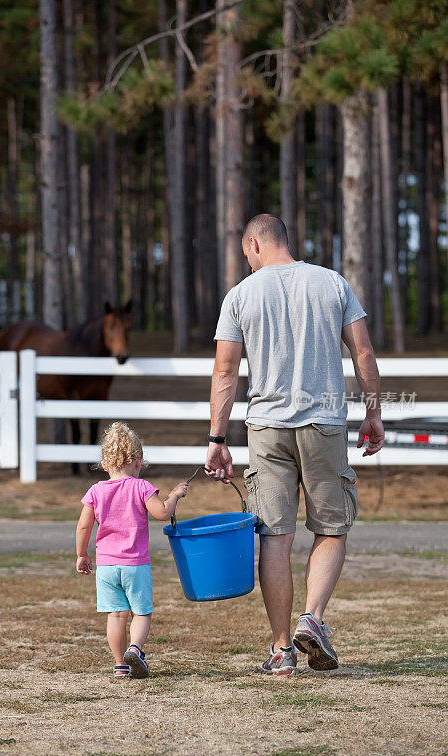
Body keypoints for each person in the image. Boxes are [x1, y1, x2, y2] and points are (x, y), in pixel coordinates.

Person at [205, 214, 384, 676]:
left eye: (246, 252)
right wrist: (373, 412)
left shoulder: (241, 296)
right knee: (330, 528)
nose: (247, 259)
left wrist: (217, 439)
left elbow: (225, 372)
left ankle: (283, 648)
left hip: (266, 429)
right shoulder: (332, 284)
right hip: (323, 424)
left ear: (254, 243)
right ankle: (314, 618)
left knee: (275, 538)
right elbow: (362, 352)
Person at [75, 421, 188, 679]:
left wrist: (82, 554)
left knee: (115, 615)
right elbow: (162, 513)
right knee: (141, 612)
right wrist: (174, 495)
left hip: (106, 565)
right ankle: (135, 649)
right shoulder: (141, 487)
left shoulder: (95, 491)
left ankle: (119, 664)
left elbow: (83, 526)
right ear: (138, 462)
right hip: (134, 564)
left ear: (104, 464)